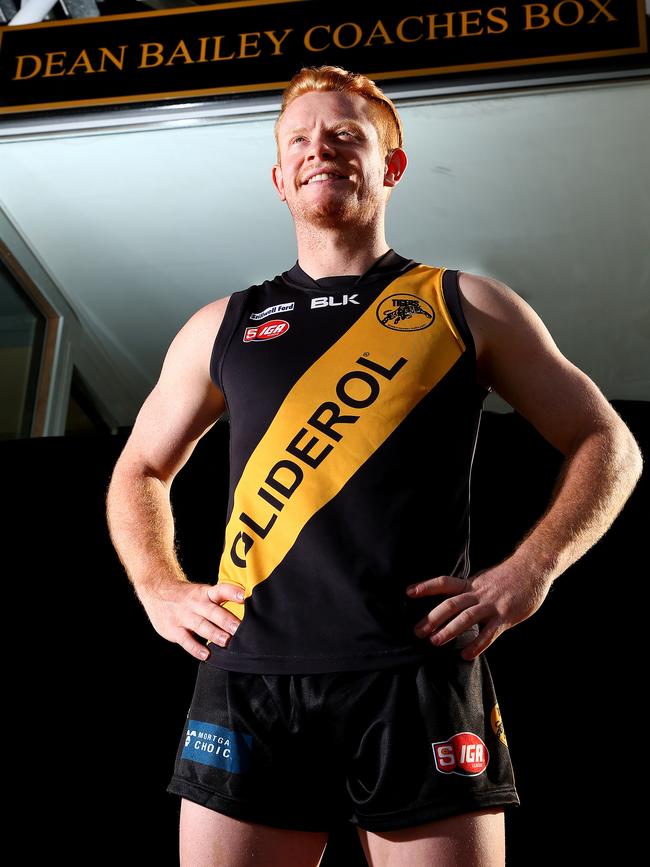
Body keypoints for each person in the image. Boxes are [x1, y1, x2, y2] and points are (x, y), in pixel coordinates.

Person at [105, 65, 643, 867]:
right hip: (250, 675)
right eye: (300, 139)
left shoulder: (463, 302)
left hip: (416, 672)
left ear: (390, 164)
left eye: (346, 135)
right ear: (279, 176)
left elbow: (610, 443)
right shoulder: (223, 324)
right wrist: (156, 582)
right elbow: (140, 466)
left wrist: (532, 569)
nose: (321, 149)